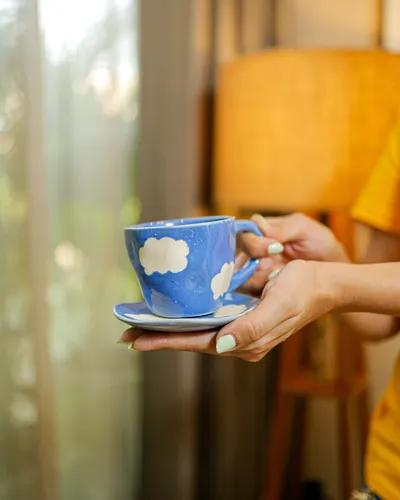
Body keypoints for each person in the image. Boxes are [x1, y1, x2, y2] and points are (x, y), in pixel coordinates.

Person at [121, 119, 400, 498]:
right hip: (388, 469)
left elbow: (343, 289)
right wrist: (334, 261)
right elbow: (382, 319)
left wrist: (327, 282)